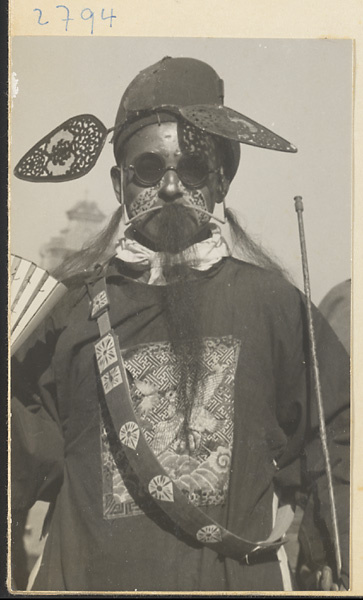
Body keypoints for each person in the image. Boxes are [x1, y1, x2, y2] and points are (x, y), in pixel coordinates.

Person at [11, 57, 350, 592]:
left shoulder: (274, 306)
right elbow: (18, 458)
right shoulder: (65, 314)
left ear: (220, 182)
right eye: (149, 169)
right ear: (119, 183)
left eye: (191, 169)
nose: (170, 187)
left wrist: (335, 539)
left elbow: (341, 426)